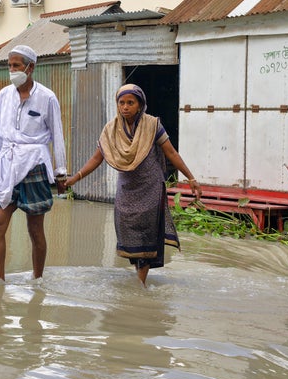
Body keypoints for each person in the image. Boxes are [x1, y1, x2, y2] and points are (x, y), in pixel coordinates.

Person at [65, 84, 202, 286]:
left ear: (140, 105)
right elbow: (97, 159)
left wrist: (191, 179)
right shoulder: (111, 130)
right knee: (127, 233)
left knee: (146, 236)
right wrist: (75, 178)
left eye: (131, 102)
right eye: (122, 102)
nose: (125, 107)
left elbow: (171, 153)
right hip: (126, 191)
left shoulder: (153, 126)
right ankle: (140, 276)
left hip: (150, 188)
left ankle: (140, 285)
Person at [0, 44, 68, 282]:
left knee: (35, 230)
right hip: (7, 165)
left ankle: (37, 280)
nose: (12, 70)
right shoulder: (5, 95)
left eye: (16, 66)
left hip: (35, 164)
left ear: (30, 67)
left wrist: (61, 172)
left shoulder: (47, 97)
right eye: (10, 66)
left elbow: (57, 135)